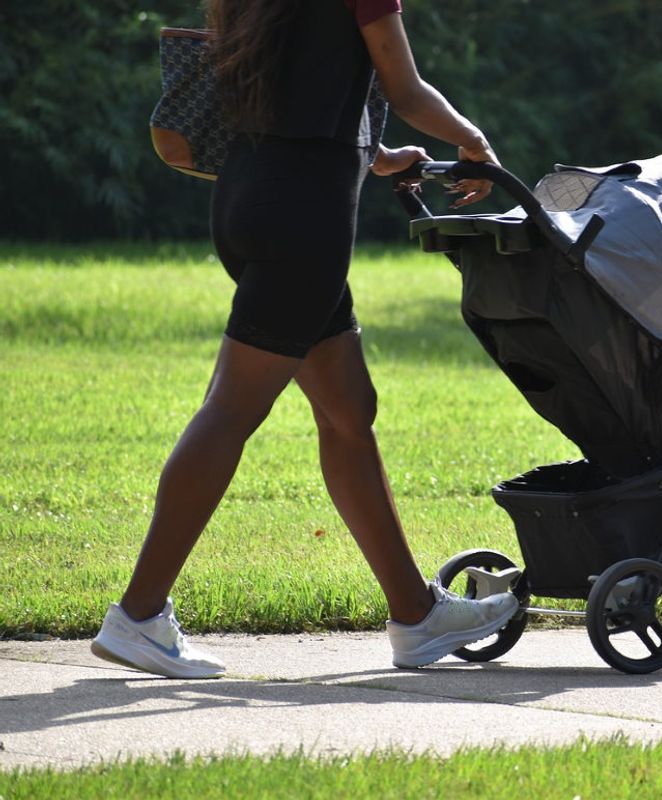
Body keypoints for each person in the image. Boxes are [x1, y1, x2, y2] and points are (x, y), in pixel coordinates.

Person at [91, 0, 518, 678]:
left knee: (350, 413)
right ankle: (138, 615)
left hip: (246, 196)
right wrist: (475, 142)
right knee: (231, 410)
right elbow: (404, 89)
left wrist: (374, 155)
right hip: (306, 218)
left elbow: (291, 84)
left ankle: (415, 614)